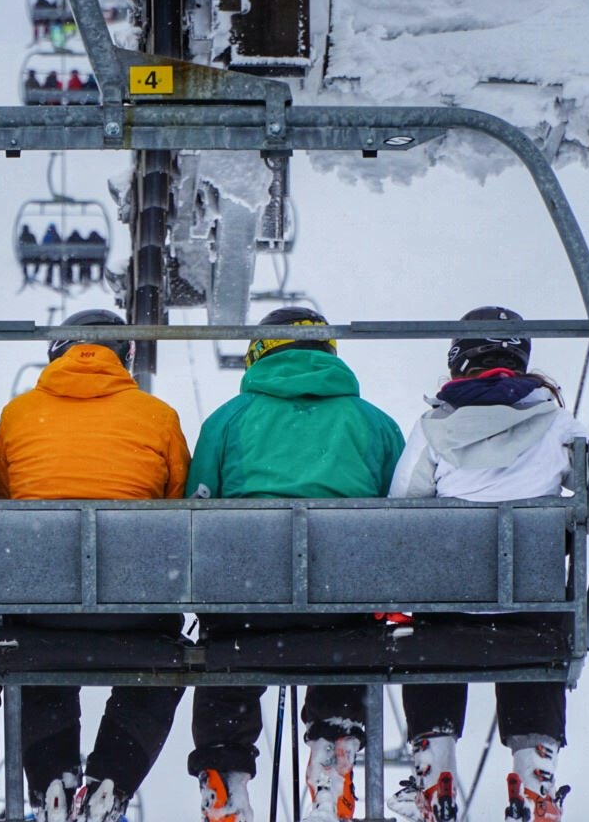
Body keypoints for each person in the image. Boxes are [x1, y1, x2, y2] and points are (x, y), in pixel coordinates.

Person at [384, 307, 589, 822]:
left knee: (426, 633)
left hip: (446, 620)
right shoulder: (561, 426)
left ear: (458, 361)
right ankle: (535, 775)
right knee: (537, 634)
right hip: (532, 618)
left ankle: (435, 769)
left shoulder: (434, 429)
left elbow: (401, 509)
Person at [187, 307, 405, 822]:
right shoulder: (375, 424)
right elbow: (405, 522)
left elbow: (193, 511)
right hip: (342, 607)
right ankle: (335, 742)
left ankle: (224, 774)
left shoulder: (228, 420)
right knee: (355, 635)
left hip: (247, 606)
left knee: (226, 656)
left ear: (258, 355)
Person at [0, 309, 192, 822]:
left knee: (38, 660)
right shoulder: (158, 416)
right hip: (136, 612)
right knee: (160, 664)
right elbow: (179, 510)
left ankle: (52, 783)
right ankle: (112, 781)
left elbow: (1, 506)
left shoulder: (18, 416)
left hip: (43, 611)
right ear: (125, 357)